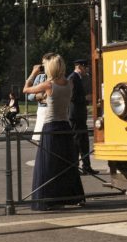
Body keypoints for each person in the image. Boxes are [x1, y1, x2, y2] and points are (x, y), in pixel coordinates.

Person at [23, 54, 85, 211]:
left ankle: (46, 199)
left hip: (51, 127)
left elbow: (26, 90)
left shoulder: (48, 85)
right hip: (65, 126)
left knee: (47, 164)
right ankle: (71, 196)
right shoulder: (69, 83)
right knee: (66, 164)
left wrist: (33, 73)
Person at [68, 59, 95, 174]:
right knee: (76, 142)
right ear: (79, 67)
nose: (87, 69)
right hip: (74, 115)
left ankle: (87, 167)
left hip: (80, 114)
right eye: (86, 67)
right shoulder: (72, 78)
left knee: (84, 141)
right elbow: (71, 97)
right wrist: (85, 98)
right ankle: (75, 167)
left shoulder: (79, 78)